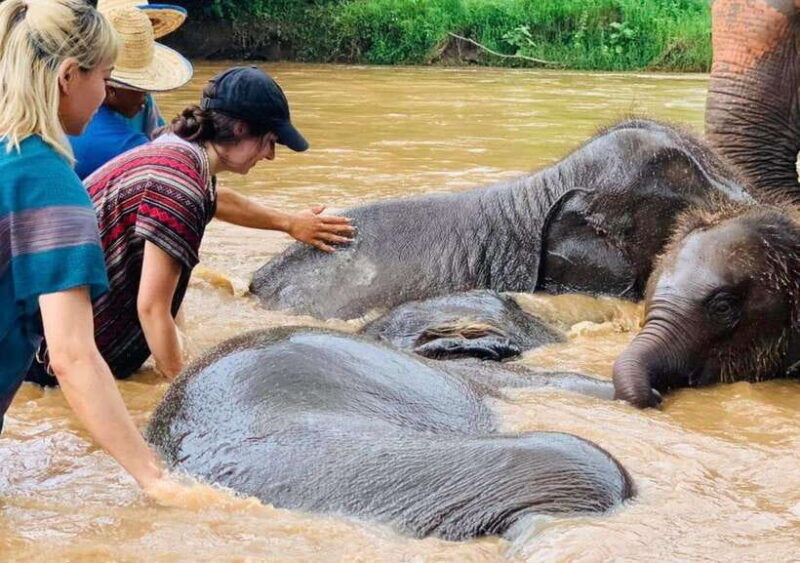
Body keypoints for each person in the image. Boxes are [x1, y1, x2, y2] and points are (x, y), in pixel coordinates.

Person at [26, 65, 355, 385]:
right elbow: (153, 309)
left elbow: (215, 199)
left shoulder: (180, 153)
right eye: (269, 141)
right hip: (46, 361)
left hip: (42, 338)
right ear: (240, 129)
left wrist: (289, 223)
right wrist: (182, 389)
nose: (270, 155)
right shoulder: (181, 185)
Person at [0, 0, 186, 500]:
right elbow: (73, 357)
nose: (106, 91)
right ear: (68, 77)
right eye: (104, 76)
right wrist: (156, 478)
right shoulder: (47, 182)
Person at [69, 5, 192, 179]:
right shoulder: (119, 144)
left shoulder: (73, 108)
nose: (146, 94)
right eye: (140, 90)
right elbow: (169, 172)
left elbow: (158, 136)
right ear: (111, 90)